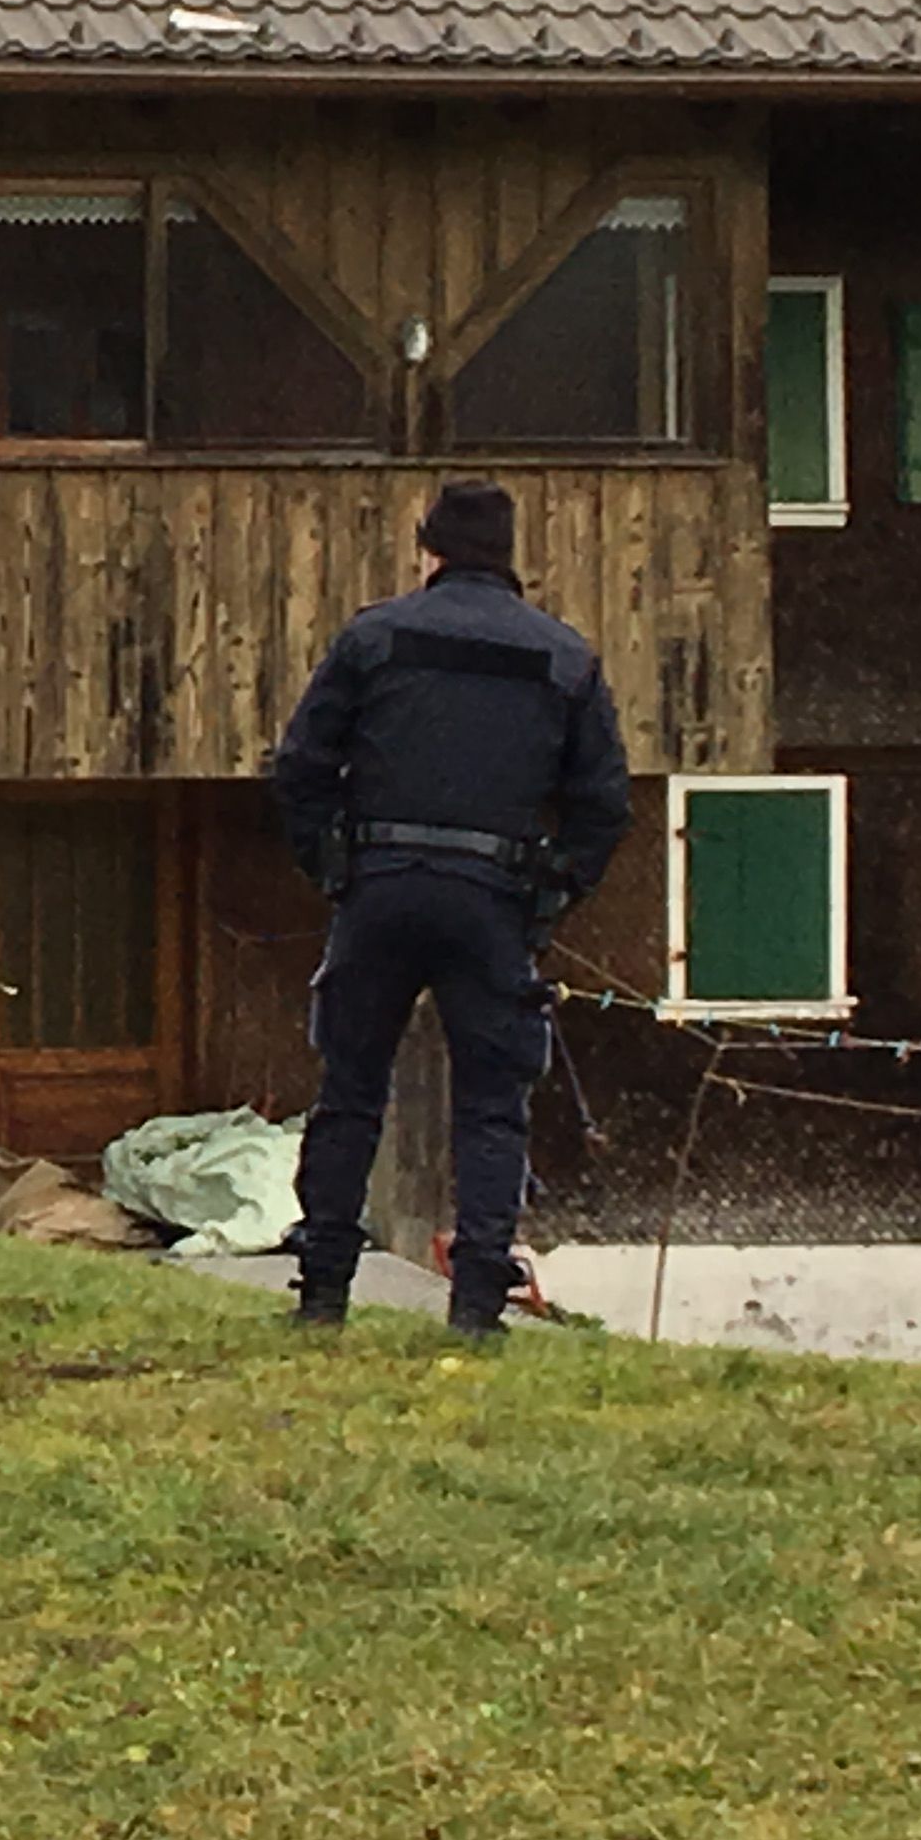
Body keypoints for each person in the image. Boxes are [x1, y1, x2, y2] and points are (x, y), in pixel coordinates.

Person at [268, 480, 632, 1337]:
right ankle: (475, 1307)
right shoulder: (565, 657)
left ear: (427, 553)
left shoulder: (372, 638)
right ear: (511, 560)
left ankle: (323, 1292)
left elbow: (300, 765)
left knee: (351, 1089)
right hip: (492, 898)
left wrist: (333, 865)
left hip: (382, 886)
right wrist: (548, 897)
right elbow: (603, 805)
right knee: (492, 1103)